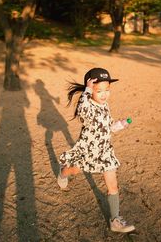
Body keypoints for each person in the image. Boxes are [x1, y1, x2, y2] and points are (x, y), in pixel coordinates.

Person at [57, 67, 135, 233]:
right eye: (99, 91)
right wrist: (86, 90)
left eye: (107, 90)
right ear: (91, 90)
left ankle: (115, 220)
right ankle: (63, 172)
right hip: (88, 151)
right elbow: (82, 110)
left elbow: (108, 127)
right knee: (75, 170)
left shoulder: (105, 105)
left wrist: (120, 124)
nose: (104, 94)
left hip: (105, 152)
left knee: (113, 186)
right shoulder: (87, 106)